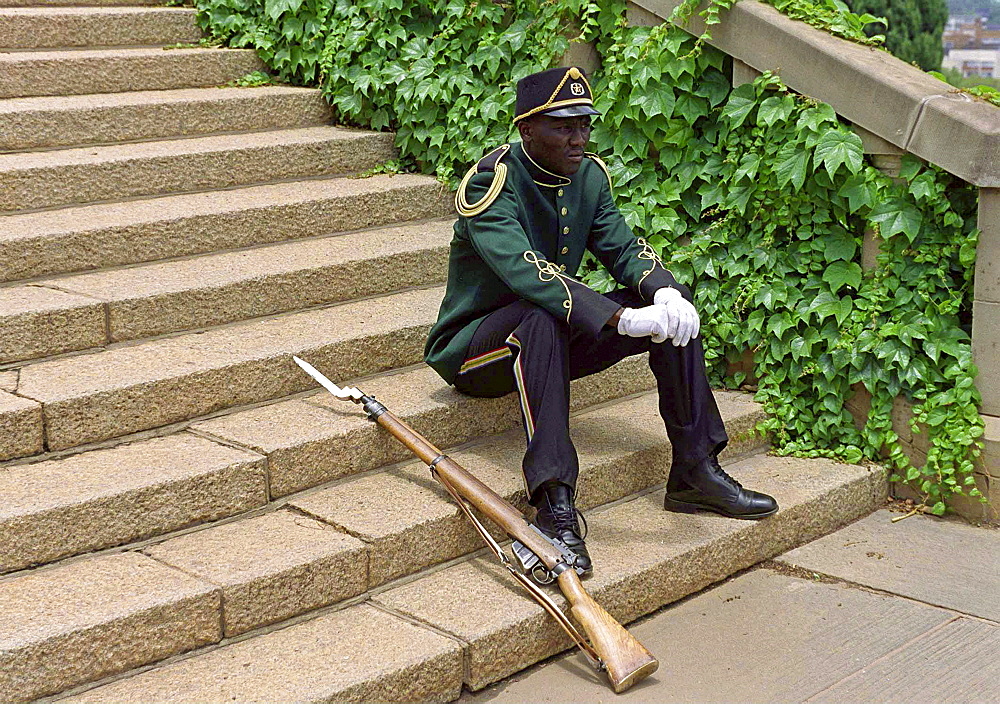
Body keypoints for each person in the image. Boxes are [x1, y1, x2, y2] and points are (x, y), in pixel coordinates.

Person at [424, 66, 777, 575]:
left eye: (585, 124)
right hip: (477, 351)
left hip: (547, 336)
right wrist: (617, 319)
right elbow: (529, 275)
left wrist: (666, 294)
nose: (579, 137)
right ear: (527, 129)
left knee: (671, 316)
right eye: (564, 126)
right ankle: (553, 506)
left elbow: (623, 247)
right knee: (541, 318)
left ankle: (695, 471)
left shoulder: (587, 176)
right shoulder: (493, 183)